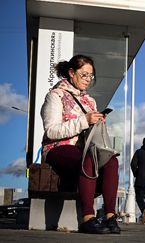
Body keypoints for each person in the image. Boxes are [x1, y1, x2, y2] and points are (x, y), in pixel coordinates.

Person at [40, 54, 120, 234]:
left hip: (84, 150)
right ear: (71, 73)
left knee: (111, 159)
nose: (87, 80)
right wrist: (84, 120)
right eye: (84, 74)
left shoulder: (90, 101)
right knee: (89, 158)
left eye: (90, 76)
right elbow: (51, 131)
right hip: (57, 149)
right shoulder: (55, 95)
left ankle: (110, 216)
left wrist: (97, 122)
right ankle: (87, 217)